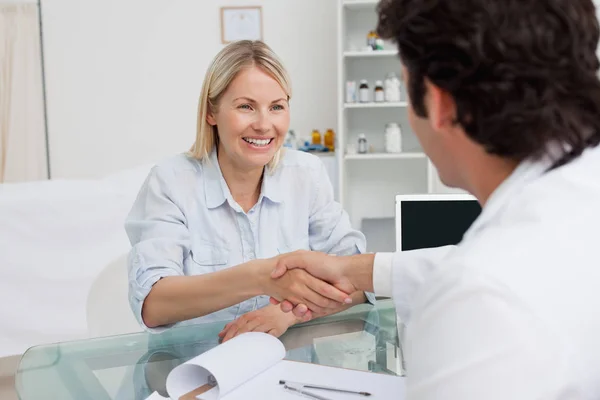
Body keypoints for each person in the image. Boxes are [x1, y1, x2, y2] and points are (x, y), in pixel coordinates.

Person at [268, 0, 600, 398]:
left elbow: (486, 281)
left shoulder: (478, 299)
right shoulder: (574, 193)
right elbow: (538, 261)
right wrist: (353, 270)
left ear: (439, 103)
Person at [125, 40, 374, 342]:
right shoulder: (170, 182)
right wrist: (261, 277)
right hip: (193, 369)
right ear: (211, 112)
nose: (264, 124)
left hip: (289, 368)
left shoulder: (306, 174)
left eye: (277, 107)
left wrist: (289, 312)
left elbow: (360, 285)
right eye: (246, 106)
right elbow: (154, 304)